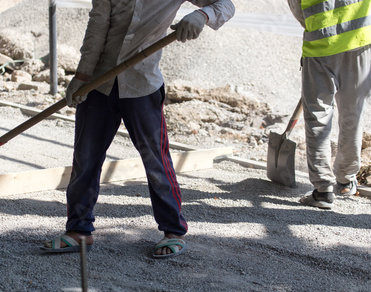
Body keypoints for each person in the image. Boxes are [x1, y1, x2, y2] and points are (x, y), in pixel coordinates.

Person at [42, 0, 235, 257]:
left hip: (142, 84)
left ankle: (173, 230)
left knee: (156, 160)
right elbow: (98, 26)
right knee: (85, 158)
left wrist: (203, 14)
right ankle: (78, 230)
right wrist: (82, 76)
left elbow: (226, 4)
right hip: (100, 82)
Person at [288, 0, 371, 209]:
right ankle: (346, 181)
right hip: (360, 39)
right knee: (353, 114)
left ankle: (323, 190)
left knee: (318, 118)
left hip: (321, 44)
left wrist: (321, 25)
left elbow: (297, 7)